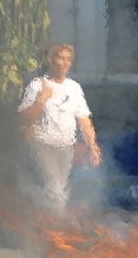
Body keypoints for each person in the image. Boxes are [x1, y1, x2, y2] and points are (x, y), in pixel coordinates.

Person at [17, 42, 100, 213]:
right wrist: (41, 100)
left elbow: (83, 119)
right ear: (51, 60)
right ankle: (57, 225)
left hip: (66, 148)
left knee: (59, 189)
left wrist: (92, 146)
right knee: (56, 188)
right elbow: (24, 117)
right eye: (60, 58)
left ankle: (50, 225)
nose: (63, 63)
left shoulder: (74, 88)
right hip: (42, 145)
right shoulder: (38, 85)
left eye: (68, 59)